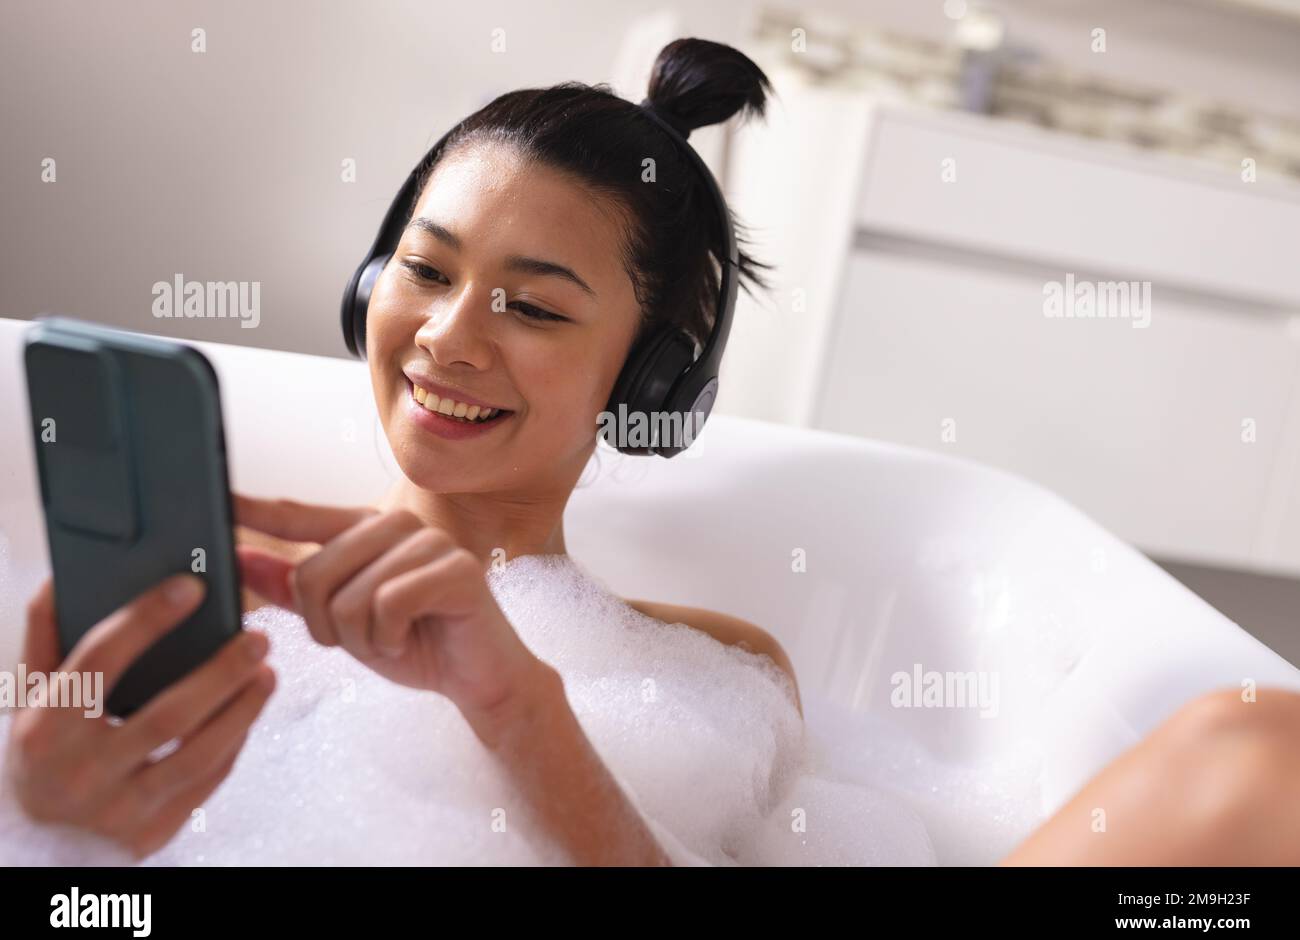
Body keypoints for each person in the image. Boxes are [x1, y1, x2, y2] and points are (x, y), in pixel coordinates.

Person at [7, 37, 1296, 866]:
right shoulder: (174, 599)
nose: (449, 337)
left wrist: (520, 707)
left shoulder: (718, 673)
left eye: (534, 304)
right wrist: (61, 838)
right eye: (426, 269)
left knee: (1253, 772)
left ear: (654, 370)